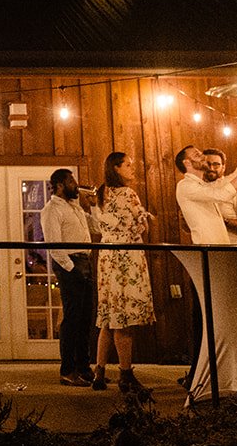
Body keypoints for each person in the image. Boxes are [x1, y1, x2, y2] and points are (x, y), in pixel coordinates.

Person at [173, 141, 237, 389]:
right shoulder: (185, 187)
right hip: (208, 259)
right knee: (211, 320)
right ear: (187, 163)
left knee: (221, 318)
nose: (201, 156)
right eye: (196, 155)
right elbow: (223, 193)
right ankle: (209, 380)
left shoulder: (200, 185)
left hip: (219, 257)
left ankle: (225, 375)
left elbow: (221, 185)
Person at [92, 151, 156, 395]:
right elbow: (143, 225)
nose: (132, 168)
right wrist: (140, 224)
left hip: (107, 256)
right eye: (128, 165)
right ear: (116, 168)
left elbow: (102, 223)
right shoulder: (128, 194)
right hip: (126, 256)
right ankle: (125, 374)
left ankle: (99, 372)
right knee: (124, 319)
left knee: (108, 316)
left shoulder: (101, 193)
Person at [42, 168, 95, 387]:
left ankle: (84, 367)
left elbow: (97, 226)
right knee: (72, 319)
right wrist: (71, 268)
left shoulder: (75, 207)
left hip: (86, 261)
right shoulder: (51, 210)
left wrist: (93, 204)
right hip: (70, 264)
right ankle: (67, 370)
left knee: (85, 318)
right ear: (60, 185)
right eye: (72, 181)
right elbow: (54, 245)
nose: (76, 184)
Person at [202, 148, 237, 244]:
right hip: (203, 250)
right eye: (207, 164)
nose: (211, 168)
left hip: (231, 251)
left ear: (223, 167)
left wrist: (224, 221)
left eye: (216, 165)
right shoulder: (197, 190)